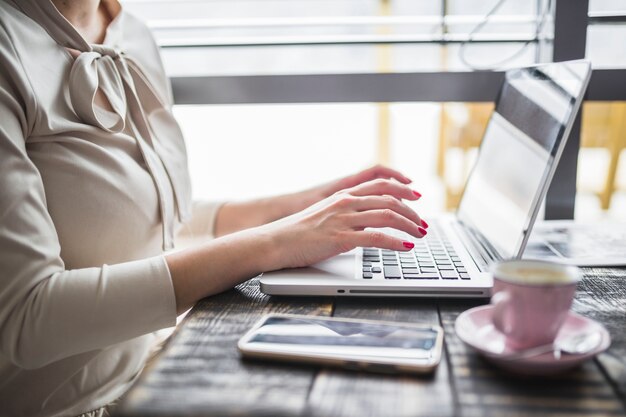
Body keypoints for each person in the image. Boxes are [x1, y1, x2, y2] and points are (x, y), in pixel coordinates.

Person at [0, 1, 427, 416]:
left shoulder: (132, 34)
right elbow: (25, 318)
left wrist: (292, 210)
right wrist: (274, 242)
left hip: (152, 367)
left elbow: (153, 224)